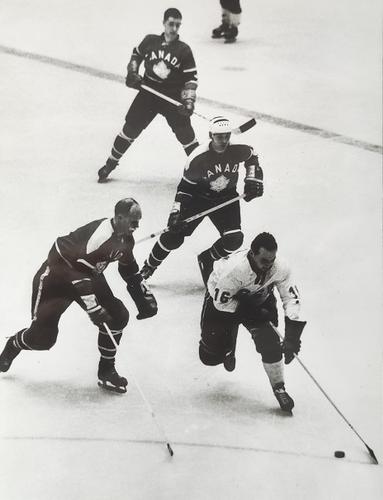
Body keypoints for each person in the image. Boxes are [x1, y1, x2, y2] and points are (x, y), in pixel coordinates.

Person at [0, 199, 157, 393]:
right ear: (119, 218)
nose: (137, 226)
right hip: (56, 280)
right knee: (43, 339)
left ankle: (106, 371)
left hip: (87, 277)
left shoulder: (125, 239)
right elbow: (73, 271)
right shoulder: (99, 238)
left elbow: (128, 268)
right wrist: (92, 306)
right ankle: (13, 344)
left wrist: (142, 297)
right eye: (133, 221)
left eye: (138, 222)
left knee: (117, 316)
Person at [140, 116, 263, 283]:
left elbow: (252, 157)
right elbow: (185, 188)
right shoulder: (198, 157)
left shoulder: (238, 149)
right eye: (220, 136)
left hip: (226, 198)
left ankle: (207, 259)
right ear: (210, 135)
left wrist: (253, 179)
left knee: (234, 239)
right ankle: (149, 266)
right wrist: (176, 211)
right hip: (199, 200)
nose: (224, 140)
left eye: (227, 136)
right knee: (173, 235)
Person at [199, 232, 307, 412]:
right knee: (209, 357)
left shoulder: (280, 267)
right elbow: (221, 302)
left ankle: (279, 387)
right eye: (264, 261)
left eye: (272, 260)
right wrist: (249, 312)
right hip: (222, 301)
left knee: (270, 343)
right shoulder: (233, 270)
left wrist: (292, 336)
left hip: (259, 298)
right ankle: (227, 348)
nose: (268, 266)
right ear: (252, 253)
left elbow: (291, 298)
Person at [98, 7, 199, 183]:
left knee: (186, 136)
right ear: (164, 23)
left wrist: (188, 101)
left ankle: (202, 172)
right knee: (130, 128)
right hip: (148, 93)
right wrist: (133, 72)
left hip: (172, 97)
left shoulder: (184, 50)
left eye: (177, 25)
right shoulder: (150, 41)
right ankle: (110, 163)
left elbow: (191, 79)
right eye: (171, 24)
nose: (174, 28)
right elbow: (136, 55)